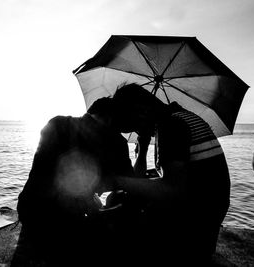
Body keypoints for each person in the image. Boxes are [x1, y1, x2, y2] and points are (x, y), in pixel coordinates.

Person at [15, 96, 149, 266]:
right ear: (112, 117)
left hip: (30, 211)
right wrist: (143, 149)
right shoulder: (116, 142)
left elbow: (49, 178)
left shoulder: (56, 124)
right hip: (67, 222)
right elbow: (135, 186)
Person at [108, 83, 231, 266]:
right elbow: (154, 180)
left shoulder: (171, 125)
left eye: (133, 125)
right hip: (208, 210)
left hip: (197, 221)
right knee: (124, 197)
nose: (137, 130)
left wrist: (114, 180)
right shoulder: (181, 117)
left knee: (119, 209)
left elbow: (172, 189)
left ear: (141, 111)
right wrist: (142, 151)